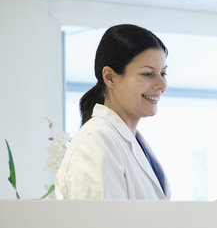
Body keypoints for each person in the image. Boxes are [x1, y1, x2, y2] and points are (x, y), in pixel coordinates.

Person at [56, 24, 170, 199]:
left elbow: (155, 216)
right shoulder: (96, 139)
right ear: (110, 77)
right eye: (147, 74)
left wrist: (208, 212)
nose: (162, 85)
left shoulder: (131, 140)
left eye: (163, 73)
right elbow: (103, 223)